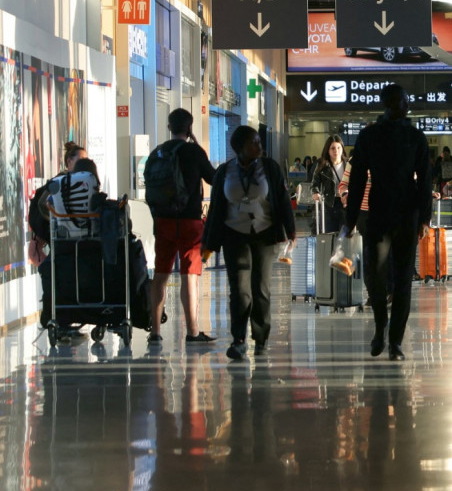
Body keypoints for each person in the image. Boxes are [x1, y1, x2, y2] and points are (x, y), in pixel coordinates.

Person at [345, 84, 432, 361]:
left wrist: (425, 217)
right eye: (403, 100)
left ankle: (395, 341)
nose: (406, 104)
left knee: (404, 278)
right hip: (379, 213)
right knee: (375, 275)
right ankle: (381, 325)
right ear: (391, 103)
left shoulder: (416, 137)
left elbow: (425, 180)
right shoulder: (370, 136)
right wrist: (350, 219)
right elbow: (357, 178)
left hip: (406, 214)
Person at [202, 125, 296, 361]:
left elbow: (283, 200)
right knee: (240, 290)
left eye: (259, 142)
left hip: (264, 234)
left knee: (261, 288)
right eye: (253, 142)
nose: (259, 146)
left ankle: (261, 337)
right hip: (234, 234)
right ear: (240, 147)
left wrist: (291, 231)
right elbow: (216, 208)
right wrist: (209, 242)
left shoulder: (270, 168)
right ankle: (239, 339)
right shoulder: (225, 172)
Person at [147, 108, 217, 346]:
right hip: (189, 221)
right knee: (190, 276)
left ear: (169, 127)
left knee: (160, 275)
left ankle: (155, 332)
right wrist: (198, 147)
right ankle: (193, 332)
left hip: (163, 221)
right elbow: (214, 178)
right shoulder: (194, 151)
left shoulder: (157, 153)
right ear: (189, 128)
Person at [28, 141, 87, 264]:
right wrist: (58, 220)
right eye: (81, 159)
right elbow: (42, 204)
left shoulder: (84, 183)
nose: (84, 164)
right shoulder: (60, 181)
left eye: (86, 160)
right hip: (62, 236)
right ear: (69, 161)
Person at [311, 135, 348, 233]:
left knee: (345, 236)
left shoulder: (349, 164)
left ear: (342, 148)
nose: (336, 151)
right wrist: (316, 192)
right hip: (329, 204)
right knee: (329, 234)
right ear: (327, 150)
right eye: (332, 148)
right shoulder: (322, 165)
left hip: (345, 203)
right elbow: (314, 184)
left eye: (338, 147)